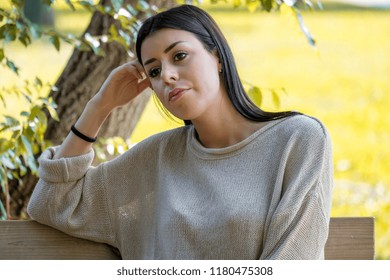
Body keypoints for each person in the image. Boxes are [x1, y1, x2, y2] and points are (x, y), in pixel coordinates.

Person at [27, 4, 333, 260]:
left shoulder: (298, 140)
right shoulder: (156, 158)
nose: (168, 77)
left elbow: (294, 264)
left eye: (179, 56)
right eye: (154, 71)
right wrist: (99, 106)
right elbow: (52, 203)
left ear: (216, 57)